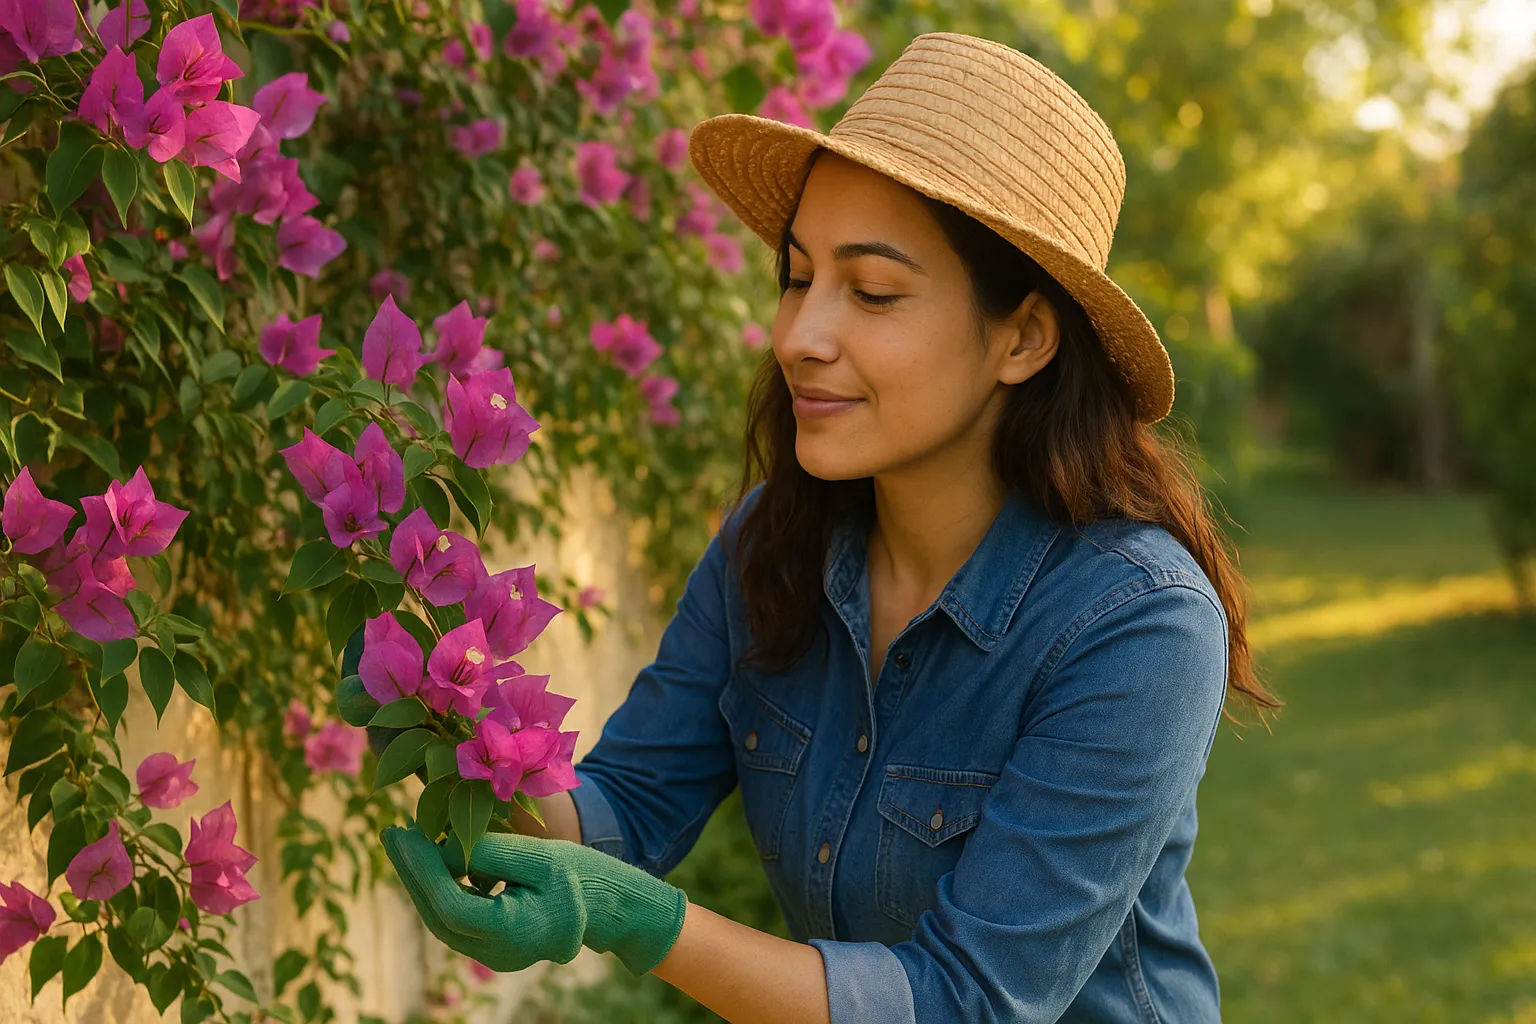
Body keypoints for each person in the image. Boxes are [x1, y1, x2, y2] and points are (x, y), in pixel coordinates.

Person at [376, 31, 1281, 1023]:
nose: (801, 338)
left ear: (1021, 336)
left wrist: (645, 923)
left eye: (874, 291)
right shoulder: (775, 541)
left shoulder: (1137, 622)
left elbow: (966, 1001)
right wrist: (448, 710)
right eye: (799, 278)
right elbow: (623, 814)